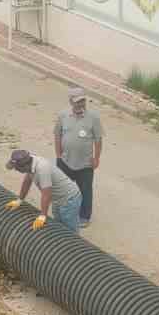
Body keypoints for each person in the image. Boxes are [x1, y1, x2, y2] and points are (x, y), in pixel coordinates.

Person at [54, 88, 104, 227]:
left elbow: (98, 139)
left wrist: (96, 158)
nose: (81, 104)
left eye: (83, 100)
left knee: (86, 190)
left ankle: (84, 216)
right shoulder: (63, 115)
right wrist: (58, 155)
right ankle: (62, 213)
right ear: (71, 102)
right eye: (77, 101)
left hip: (85, 163)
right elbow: (57, 135)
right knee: (63, 188)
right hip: (65, 161)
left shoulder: (94, 117)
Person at [5, 148, 83, 233]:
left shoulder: (42, 168)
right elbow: (27, 181)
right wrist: (19, 200)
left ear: (24, 166)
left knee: (70, 230)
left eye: (17, 168)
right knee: (59, 226)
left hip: (69, 198)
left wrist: (43, 215)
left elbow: (46, 194)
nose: (16, 170)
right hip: (57, 199)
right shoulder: (29, 162)